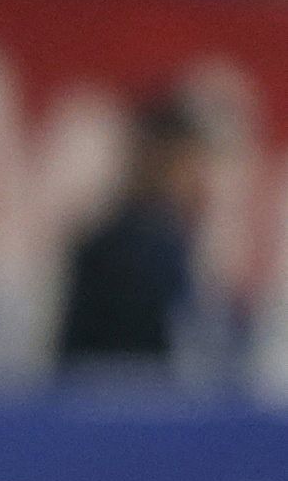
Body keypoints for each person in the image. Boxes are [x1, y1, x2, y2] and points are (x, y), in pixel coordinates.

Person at [55, 91, 210, 374]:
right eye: (193, 163)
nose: (202, 179)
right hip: (124, 406)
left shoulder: (139, 238)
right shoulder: (142, 248)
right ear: (162, 161)